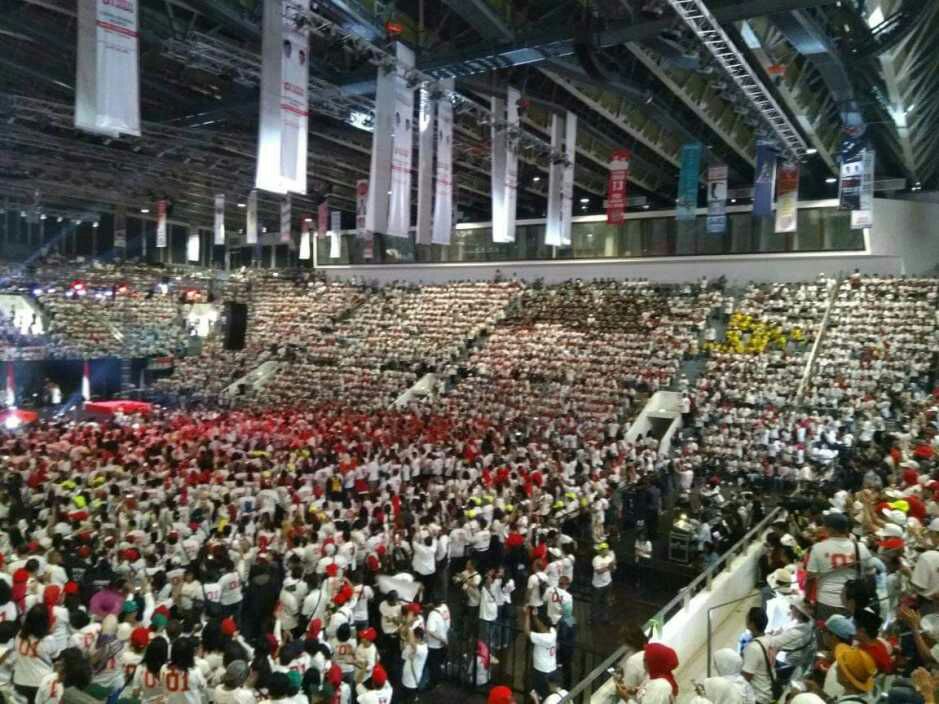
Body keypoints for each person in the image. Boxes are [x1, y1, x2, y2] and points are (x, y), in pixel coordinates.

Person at [806, 512, 872, 620]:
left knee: (826, 634)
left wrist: (807, 599)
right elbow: (870, 573)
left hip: (826, 600)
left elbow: (810, 577)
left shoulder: (818, 548)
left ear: (831, 529)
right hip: (852, 602)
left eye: (825, 526)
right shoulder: (860, 547)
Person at [13, 605, 56, 704]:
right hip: (42, 683)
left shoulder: (19, 635)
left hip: (20, 681)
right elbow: (55, 657)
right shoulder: (49, 639)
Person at [741, 607, 775, 704]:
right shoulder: (770, 639)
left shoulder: (753, 648)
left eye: (747, 617)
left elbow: (745, 679)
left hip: (757, 697)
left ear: (752, 624)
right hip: (768, 690)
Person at [524, 609, 557, 698]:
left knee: (540, 694)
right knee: (548, 693)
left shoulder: (543, 638)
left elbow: (527, 632)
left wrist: (527, 616)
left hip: (542, 671)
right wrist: (534, 616)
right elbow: (540, 626)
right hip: (551, 668)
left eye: (540, 623)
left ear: (543, 625)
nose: (538, 624)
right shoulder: (553, 631)